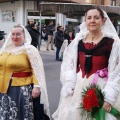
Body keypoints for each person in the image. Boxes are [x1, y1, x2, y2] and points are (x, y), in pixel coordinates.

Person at [52, 7, 120, 120]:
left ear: (103, 21)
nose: (92, 21)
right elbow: (70, 64)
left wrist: (108, 98)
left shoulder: (112, 43)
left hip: (101, 88)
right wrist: (70, 83)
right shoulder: (78, 41)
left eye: (96, 18)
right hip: (79, 87)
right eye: (89, 18)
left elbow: (117, 72)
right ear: (85, 21)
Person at [0, 24, 50, 120]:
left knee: (19, 114)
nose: (15, 37)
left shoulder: (29, 50)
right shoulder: (5, 50)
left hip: (20, 89)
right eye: (13, 34)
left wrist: (37, 86)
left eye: (18, 34)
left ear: (24, 35)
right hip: (3, 88)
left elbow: (37, 69)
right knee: (5, 113)